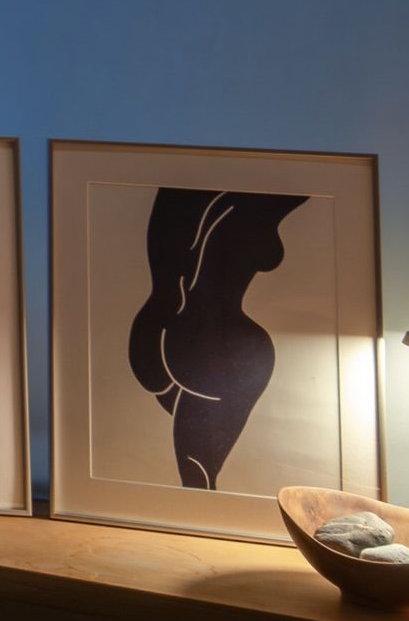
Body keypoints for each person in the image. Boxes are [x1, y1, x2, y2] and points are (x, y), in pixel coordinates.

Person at [125, 188, 302, 489]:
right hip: (213, 344)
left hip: (175, 331)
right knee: (198, 472)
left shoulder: (183, 208)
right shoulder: (237, 208)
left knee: (196, 473)